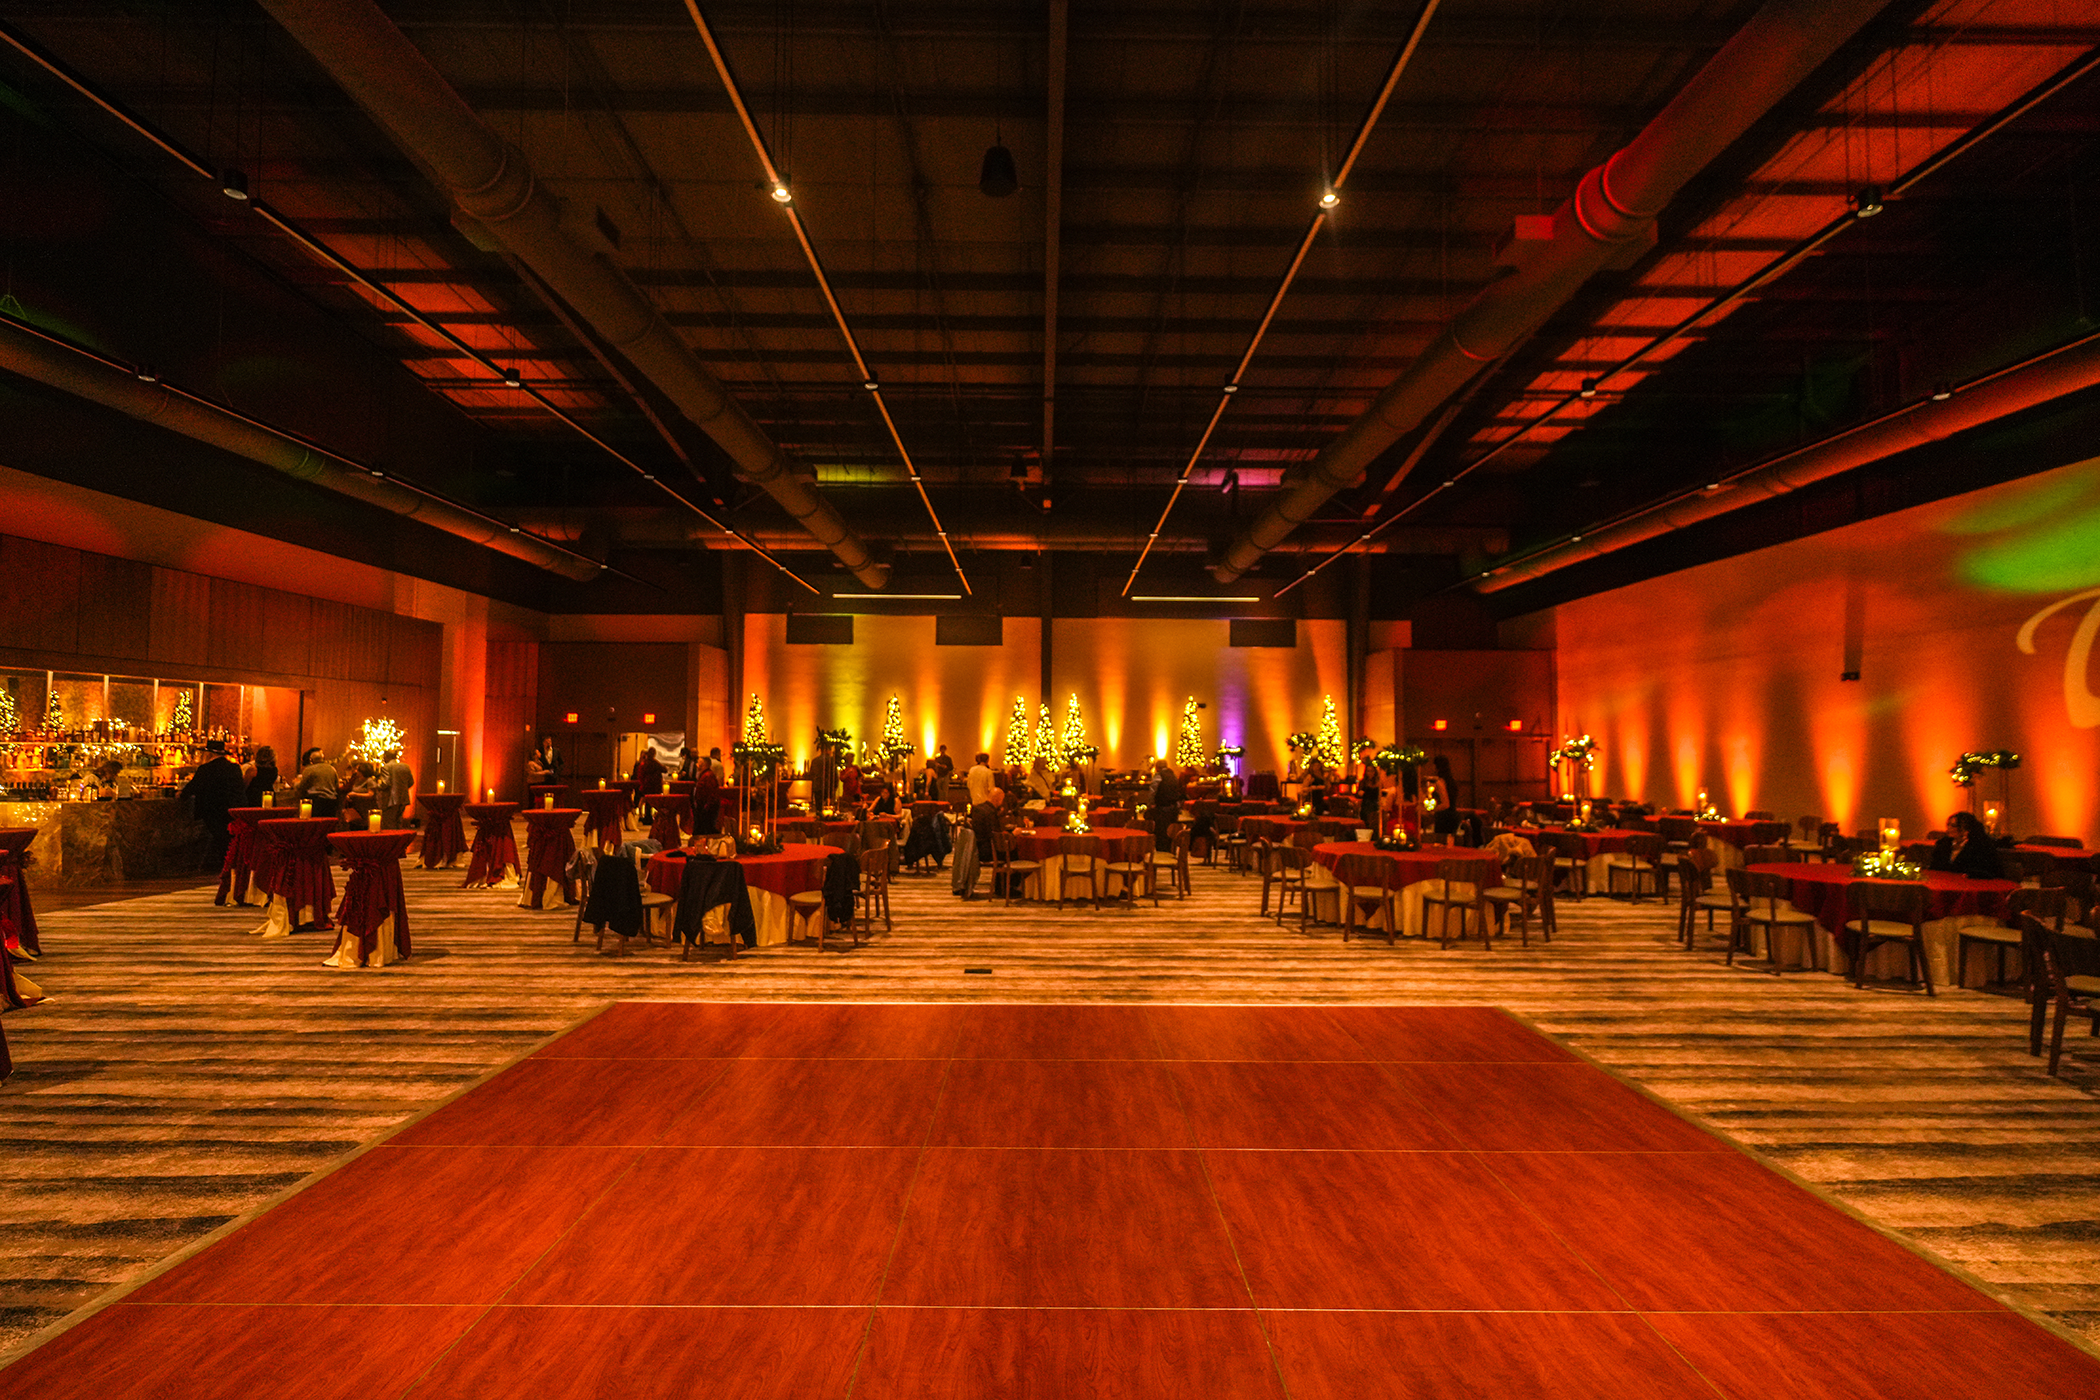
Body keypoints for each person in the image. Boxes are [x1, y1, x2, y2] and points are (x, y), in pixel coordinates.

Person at [180, 738, 247, 871]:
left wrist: (180, 794)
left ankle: (222, 864)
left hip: (213, 811)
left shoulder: (205, 769)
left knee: (218, 837)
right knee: (227, 837)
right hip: (233, 809)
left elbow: (191, 788)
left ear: (209, 754)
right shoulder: (234, 768)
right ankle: (230, 864)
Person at [1931, 811, 2005, 880]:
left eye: (1953, 826)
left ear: (1966, 829)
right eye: (1948, 825)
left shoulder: (1980, 846)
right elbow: (1936, 866)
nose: (1949, 828)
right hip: (1947, 881)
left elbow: (1986, 871)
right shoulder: (1944, 844)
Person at [292, 747, 341, 819]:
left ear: (311, 760)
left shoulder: (309, 770)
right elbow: (337, 785)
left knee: (315, 823)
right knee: (328, 823)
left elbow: (302, 787)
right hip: (331, 802)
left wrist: (295, 783)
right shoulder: (332, 769)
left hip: (316, 801)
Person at [1150, 760, 1185, 851]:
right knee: (1170, 830)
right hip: (1173, 807)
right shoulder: (1173, 775)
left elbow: (1153, 790)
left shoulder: (1159, 775)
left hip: (1162, 806)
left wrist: (1151, 803)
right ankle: (1169, 848)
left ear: (1157, 767)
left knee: (1161, 829)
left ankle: (1161, 849)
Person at [378, 748, 414, 830]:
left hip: (390, 799)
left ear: (386, 756)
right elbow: (411, 782)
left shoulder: (387, 767)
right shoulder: (405, 767)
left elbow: (385, 783)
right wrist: (402, 788)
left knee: (389, 823)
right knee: (399, 822)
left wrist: (377, 786)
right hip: (403, 798)